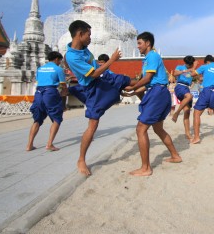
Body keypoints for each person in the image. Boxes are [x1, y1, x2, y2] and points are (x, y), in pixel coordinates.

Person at [64, 20, 131, 176]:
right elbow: (93, 73)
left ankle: (147, 89)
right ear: (80, 34)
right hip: (92, 88)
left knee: (127, 81)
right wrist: (112, 60)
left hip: (101, 78)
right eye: (88, 35)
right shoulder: (72, 57)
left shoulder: (84, 49)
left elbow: (94, 69)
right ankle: (81, 159)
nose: (90, 38)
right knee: (93, 125)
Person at [123, 32, 182, 176]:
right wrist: (132, 92)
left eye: (139, 43)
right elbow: (150, 82)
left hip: (158, 93)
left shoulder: (152, 56)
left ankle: (146, 168)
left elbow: (148, 78)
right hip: (157, 91)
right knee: (158, 129)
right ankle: (175, 156)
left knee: (140, 129)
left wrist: (133, 86)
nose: (138, 47)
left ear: (148, 43)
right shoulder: (148, 59)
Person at [26, 51, 68, 152]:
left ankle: (29, 145)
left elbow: (39, 81)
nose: (60, 63)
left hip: (39, 93)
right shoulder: (58, 69)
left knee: (37, 120)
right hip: (50, 93)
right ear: (57, 59)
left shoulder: (40, 69)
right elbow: (63, 85)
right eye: (60, 61)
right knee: (56, 119)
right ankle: (49, 144)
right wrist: (64, 94)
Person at [190, 55, 214, 144]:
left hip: (206, 91)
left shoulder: (205, 67)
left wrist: (194, 66)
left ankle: (196, 137)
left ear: (207, 62)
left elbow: (191, 74)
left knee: (196, 114)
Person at [171, 55, 198, 140]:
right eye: (188, 64)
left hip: (187, 88)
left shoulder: (192, 69)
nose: (189, 65)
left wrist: (194, 67)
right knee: (189, 96)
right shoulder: (180, 67)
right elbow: (174, 73)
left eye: (191, 64)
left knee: (187, 111)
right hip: (180, 86)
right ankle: (177, 113)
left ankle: (187, 134)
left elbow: (196, 76)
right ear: (185, 63)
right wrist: (186, 70)